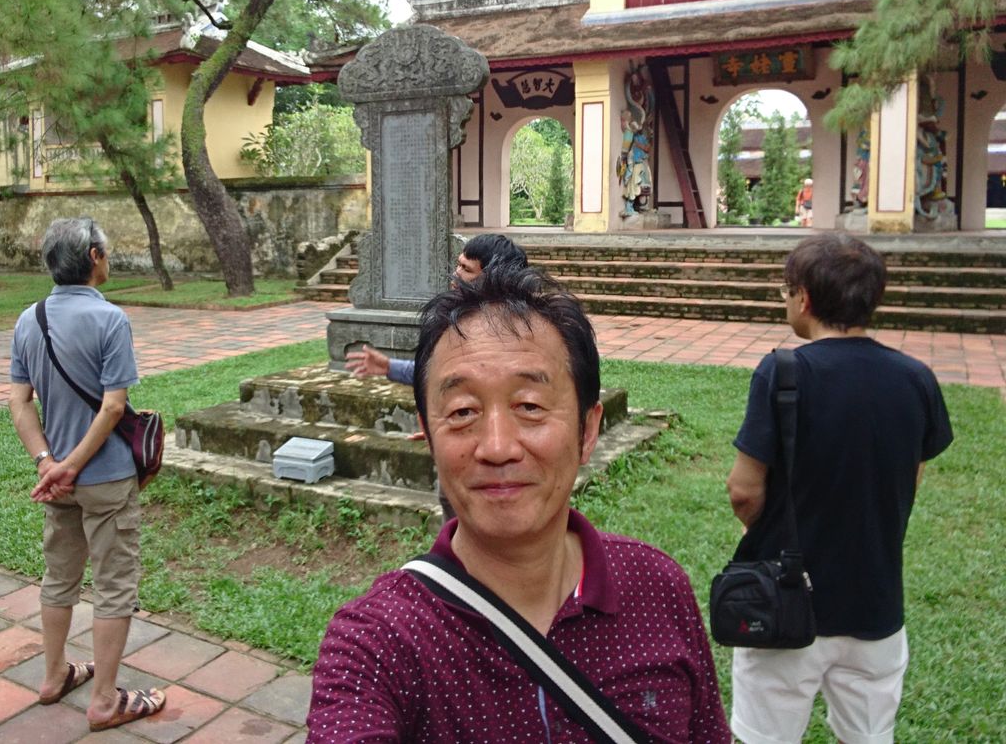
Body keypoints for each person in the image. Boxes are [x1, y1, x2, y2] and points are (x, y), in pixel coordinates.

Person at [308, 266, 730, 742]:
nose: (497, 447)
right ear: (427, 436)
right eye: (462, 411)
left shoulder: (658, 589)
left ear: (588, 430)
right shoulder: (377, 643)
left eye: (530, 406)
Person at [726, 234, 952, 744]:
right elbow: (909, 481)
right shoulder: (916, 378)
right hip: (875, 602)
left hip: (785, 596)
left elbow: (743, 490)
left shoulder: (782, 372)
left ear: (803, 298)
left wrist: (768, 529)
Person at [9, 218, 166, 732]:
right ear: (94, 257)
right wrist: (73, 465)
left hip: (57, 481)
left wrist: (48, 463)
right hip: (105, 478)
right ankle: (104, 701)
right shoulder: (110, 319)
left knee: (59, 578)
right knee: (114, 586)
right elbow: (114, 406)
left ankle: (54, 675)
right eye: (106, 251)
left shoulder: (29, 319)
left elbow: (19, 402)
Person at [344, 233, 527, 383]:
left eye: (466, 269)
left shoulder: (514, 333)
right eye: (458, 264)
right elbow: (440, 377)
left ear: (495, 278)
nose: (456, 273)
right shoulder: (455, 317)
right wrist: (390, 367)